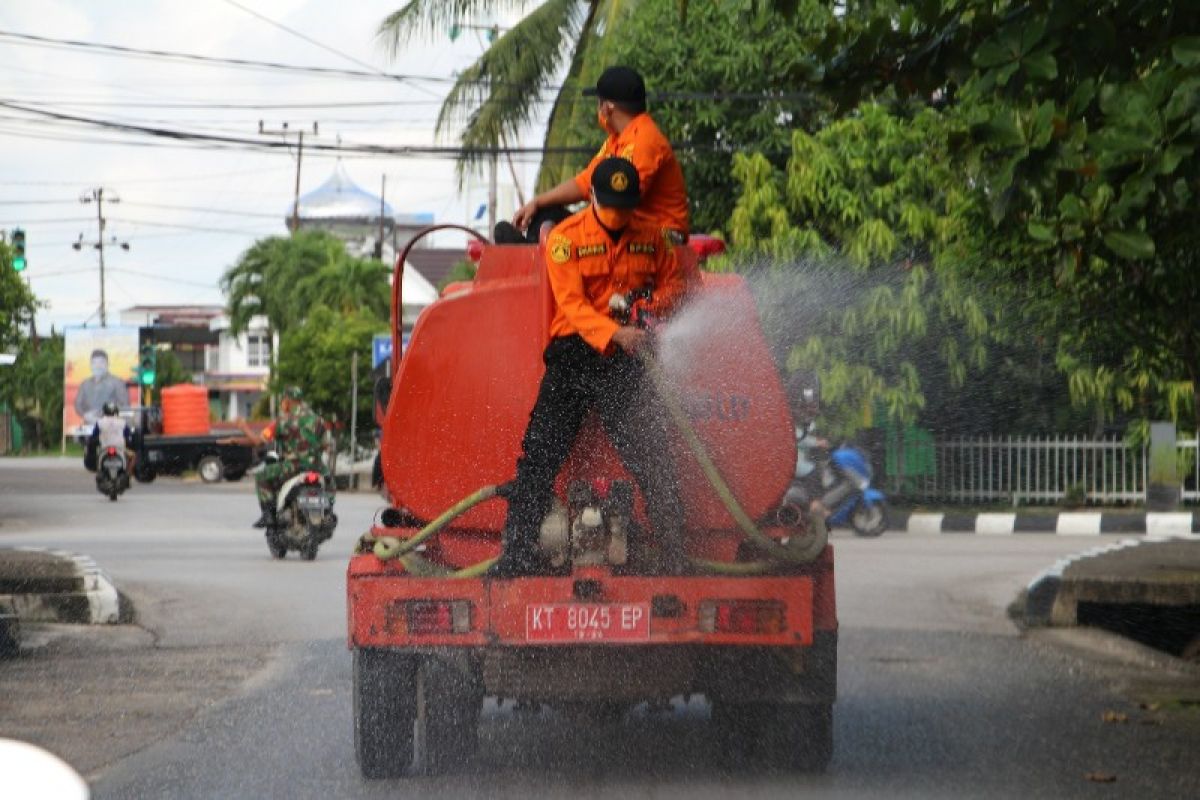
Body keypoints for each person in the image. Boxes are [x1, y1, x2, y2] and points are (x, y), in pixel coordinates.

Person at [488, 157, 688, 578]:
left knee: (654, 456)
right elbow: (573, 306)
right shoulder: (566, 239)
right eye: (611, 204)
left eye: (626, 206)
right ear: (592, 197)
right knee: (539, 458)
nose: (619, 216)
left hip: (625, 363)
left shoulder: (652, 237)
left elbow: (673, 283)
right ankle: (516, 557)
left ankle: (675, 557)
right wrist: (616, 334)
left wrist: (648, 308)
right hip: (574, 356)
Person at [500, 66, 690, 247]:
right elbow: (584, 183)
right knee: (547, 212)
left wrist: (573, 228)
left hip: (662, 234)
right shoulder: (616, 140)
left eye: (599, 102)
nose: (598, 109)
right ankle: (536, 256)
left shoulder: (646, 141)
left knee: (564, 233)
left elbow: (619, 200)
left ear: (607, 107)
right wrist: (537, 202)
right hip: (623, 224)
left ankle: (543, 257)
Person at [239, 386, 329, 528]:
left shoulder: (282, 421)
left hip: (293, 466)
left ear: (288, 401)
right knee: (329, 485)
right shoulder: (318, 420)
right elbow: (326, 445)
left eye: (284, 400)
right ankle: (327, 512)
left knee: (262, 476)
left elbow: (258, 441)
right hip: (317, 467)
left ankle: (268, 516)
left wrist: (243, 427)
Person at [74, 349, 130, 426]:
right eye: (94, 363)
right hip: (89, 427)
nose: (98, 366)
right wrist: (85, 415)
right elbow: (78, 404)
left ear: (107, 364)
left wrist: (103, 417)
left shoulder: (117, 382)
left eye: (101, 362)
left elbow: (125, 406)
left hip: (111, 428)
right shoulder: (85, 384)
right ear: (91, 365)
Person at [89, 402, 135, 473]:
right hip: (120, 448)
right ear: (116, 411)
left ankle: (99, 472)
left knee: (97, 458)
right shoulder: (122, 422)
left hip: (104, 448)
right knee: (133, 456)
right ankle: (128, 474)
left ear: (104, 411)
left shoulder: (99, 422)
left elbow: (94, 435)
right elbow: (128, 435)